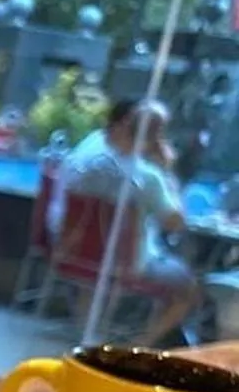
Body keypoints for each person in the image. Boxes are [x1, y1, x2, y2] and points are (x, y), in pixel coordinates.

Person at [47, 98, 200, 346]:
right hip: (125, 266)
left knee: (102, 258)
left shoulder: (86, 158)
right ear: (155, 138)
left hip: (73, 252)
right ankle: (139, 345)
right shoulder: (147, 177)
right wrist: (168, 170)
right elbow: (175, 223)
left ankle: (88, 331)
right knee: (189, 288)